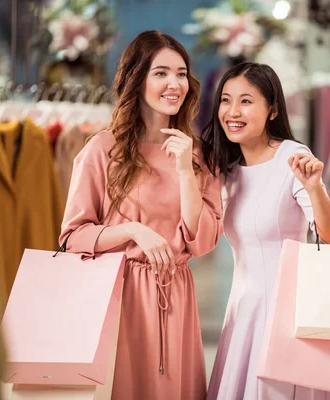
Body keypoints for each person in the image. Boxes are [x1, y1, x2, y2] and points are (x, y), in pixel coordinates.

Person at [59, 30, 223, 400]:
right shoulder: (102, 149)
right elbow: (72, 237)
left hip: (176, 295)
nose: (174, 83)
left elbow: (203, 241)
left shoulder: (199, 155)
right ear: (137, 79)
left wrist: (185, 171)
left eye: (181, 73)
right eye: (161, 72)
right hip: (117, 296)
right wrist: (132, 231)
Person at [201, 62, 330, 400]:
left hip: (286, 311)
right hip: (242, 310)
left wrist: (315, 188)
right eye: (226, 100)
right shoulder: (226, 169)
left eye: (246, 101)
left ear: (273, 109)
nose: (233, 111)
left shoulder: (292, 156)